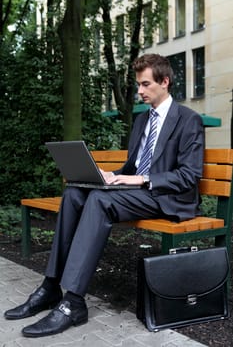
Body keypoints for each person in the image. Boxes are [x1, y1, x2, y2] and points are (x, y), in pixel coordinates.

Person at [4, 53, 204, 337]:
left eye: (145, 84)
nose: (140, 91)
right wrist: (110, 175)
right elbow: (133, 165)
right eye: (138, 85)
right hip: (138, 191)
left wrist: (142, 179)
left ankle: (73, 302)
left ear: (165, 81)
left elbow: (189, 176)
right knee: (75, 192)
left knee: (100, 200)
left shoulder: (188, 120)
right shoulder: (141, 121)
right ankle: (50, 287)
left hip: (168, 197)